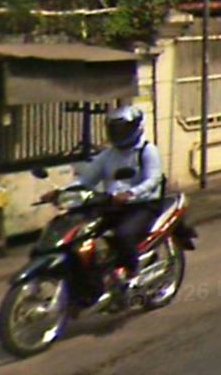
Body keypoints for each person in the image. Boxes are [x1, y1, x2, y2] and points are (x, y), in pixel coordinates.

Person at [41, 105, 164, 280]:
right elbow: (86, 180)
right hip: (112, 204)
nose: (118, 133)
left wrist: (131, 193)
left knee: (123, 234)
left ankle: (132, 273)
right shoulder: (108, 155)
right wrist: (61, 193)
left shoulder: (147, 150)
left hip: (142, 205)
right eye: (115, 129)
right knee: (83, 232)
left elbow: (153, 179)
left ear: (136, 127)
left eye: (123, 129)